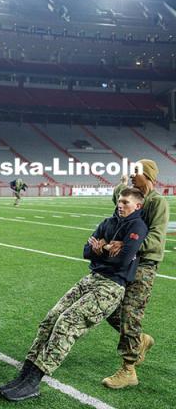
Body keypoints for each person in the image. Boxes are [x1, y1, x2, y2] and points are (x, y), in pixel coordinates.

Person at [0, 188, 148, 402]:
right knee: (51, 319)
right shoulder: (108, 222)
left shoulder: (137, 226)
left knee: (68, 323)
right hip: (92, 278)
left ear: (138, 206)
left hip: (112, 286)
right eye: (119, 201)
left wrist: (100, 249)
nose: (120, 205)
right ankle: (25, 375)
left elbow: (123, 261)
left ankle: (33, 382)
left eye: (125, 202)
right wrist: (106, 249)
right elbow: (86, 251)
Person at [103, 159, 169, 389]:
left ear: (148, 175)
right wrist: (119, 185)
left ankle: (128, 369)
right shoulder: (132, 194)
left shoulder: (157, 202)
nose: (132, 176)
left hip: (144, 265)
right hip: (124, 262)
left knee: (130, 314)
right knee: (109, 307)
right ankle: (140, 340)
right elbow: (118, 197)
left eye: (136, 173)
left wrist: (127, 244)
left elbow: (156, 238)